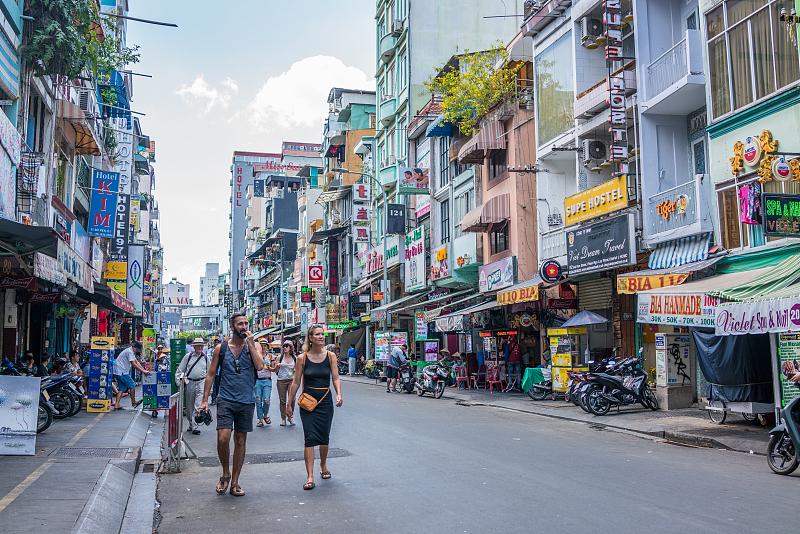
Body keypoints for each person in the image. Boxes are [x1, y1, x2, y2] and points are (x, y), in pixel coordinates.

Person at [198, 313, 264, 497]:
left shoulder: (254, 346)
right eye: (240, 324)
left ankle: (235, 481)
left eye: (246, 323)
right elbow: (211, 374)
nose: (244, 326)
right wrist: (205, 400)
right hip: (226, 399)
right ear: (232, 326)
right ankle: (225, 472)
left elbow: (260, 367)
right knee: (223, 438)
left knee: (241, 441)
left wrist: (251, 345)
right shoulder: (222, 348)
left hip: (246, 400)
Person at [286, 325, 343, 490]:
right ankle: (310, 476)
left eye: (322, 334)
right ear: (310, 338)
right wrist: (289, 403)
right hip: (308, 402)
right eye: (317, 334)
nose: (321, 337)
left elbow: (336, 377)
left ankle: (323, 464)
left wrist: (339, 393)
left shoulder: (330, 356)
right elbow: (296, 382)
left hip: (325, 401)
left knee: (324, 437)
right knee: (309, 437)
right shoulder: (302, 358)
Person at [176, 338, 209, 435]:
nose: (200, 347)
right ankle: (191, 423)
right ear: (193, 346)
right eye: (198, 345)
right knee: (189, 406)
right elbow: (180, 370)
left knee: (197, 405)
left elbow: (210, 373)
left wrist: (209, 387)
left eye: (201, 346)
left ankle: (195, 426)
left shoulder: (206, 358)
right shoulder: (188, 357)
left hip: (201, 382)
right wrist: (179, 382)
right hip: (190, 382)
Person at [113, 341, 150, 410]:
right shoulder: (129, 352)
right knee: (132, 385)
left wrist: (143, 370)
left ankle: (116, 404)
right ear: (134, 347)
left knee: (122, 388)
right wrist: (143, 371)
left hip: (118, 371)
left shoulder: (130, 351)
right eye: (137, 349)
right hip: (122, 372)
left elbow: (136, 362)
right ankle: (134, 403)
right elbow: (133, 364)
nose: (137, 351)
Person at [276, 340, 296, 426]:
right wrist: (277, 366)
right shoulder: (279, 357)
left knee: (292, 400)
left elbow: (298, 370)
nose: (285, 347)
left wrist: (295, 371)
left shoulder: (295, 358)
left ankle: (290, 417)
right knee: (282, 400)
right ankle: (283, 418)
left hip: (291, 380)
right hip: (281, 380)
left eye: (287, 346)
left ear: (291, 347)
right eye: (284, 346)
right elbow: (275, 370)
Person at [254, 340, 273, 427]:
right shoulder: (256, 356)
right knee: (258, 400)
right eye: (261, 345)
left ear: (267, 346)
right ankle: (260, 419)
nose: (263, 347)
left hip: (267, 380)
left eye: (265, 345)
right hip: (258, 380)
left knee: (266, 400)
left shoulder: (270, 356)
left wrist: (270, 367)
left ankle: (265, 415)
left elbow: (274, 369)